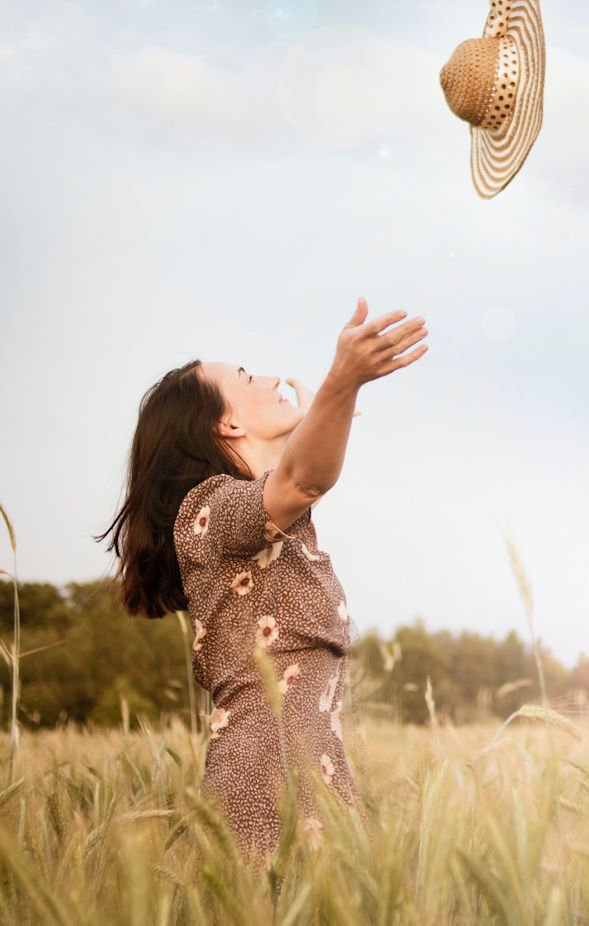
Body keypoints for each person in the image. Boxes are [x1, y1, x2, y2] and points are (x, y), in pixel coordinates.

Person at [100, 298, 428, 861]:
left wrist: (331, 405)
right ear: (226, 423)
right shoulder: (209, 512)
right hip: (264, 782)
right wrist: (339, 384)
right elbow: (301, 480)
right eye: (248, 378)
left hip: (309, 776)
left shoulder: (270, 524)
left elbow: (301, 477)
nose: (273, 379)